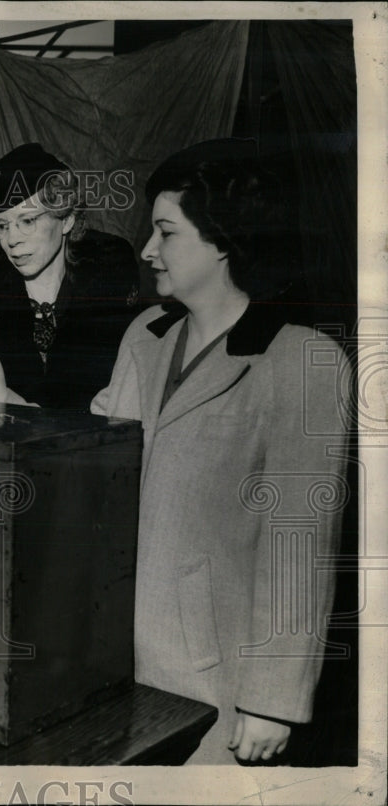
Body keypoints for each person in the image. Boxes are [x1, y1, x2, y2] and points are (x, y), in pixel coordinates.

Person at [90, 139, 348, 764]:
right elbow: (96, 471)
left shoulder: (301, 361)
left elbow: (299, 542)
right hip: (109, 659)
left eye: (166, 233)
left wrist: (272, 699)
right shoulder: (145, 336)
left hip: (215, 675)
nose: (148, 251)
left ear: (225, 240)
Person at [0, 143, 138, 409]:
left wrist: (8, 401)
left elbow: (111, 407)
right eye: (2, 226)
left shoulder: (106, 284)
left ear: (65, 219)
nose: (12, 240)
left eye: (28, 221)